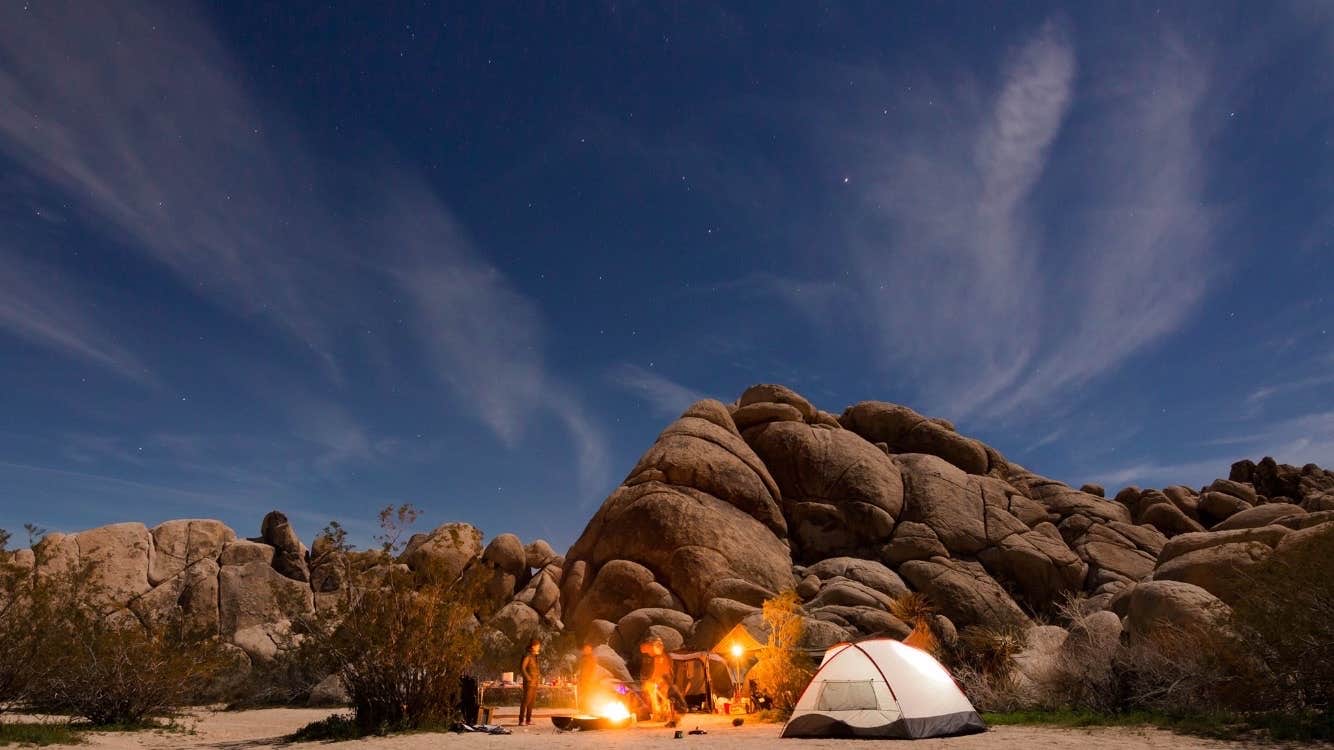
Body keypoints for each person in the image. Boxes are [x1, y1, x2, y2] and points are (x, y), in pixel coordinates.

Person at [519, 638, 541, 726]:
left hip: (535, 682)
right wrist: (528, 677)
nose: (539, 648)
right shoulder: (527, 655)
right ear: (533, 646)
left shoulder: (535, 656)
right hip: (529, 683)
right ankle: (521, 720)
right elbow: (522, 668)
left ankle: (528, 720)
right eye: (538, 646)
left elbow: (535, 669)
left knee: (531, 702)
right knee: (526, 701)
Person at [577, 643, 599, 713]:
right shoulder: (583, 658)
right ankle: (583, 709)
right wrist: (579, 677)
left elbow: (594, 669)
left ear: (590, 650)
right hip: (583, 679)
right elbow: (581, 669)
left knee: (588, 694)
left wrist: (591, 678)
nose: (586, 650)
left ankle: (588, 709)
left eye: (588, 649)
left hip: (589, 680)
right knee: (583, 694)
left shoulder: (592, 659)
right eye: (585, 649)